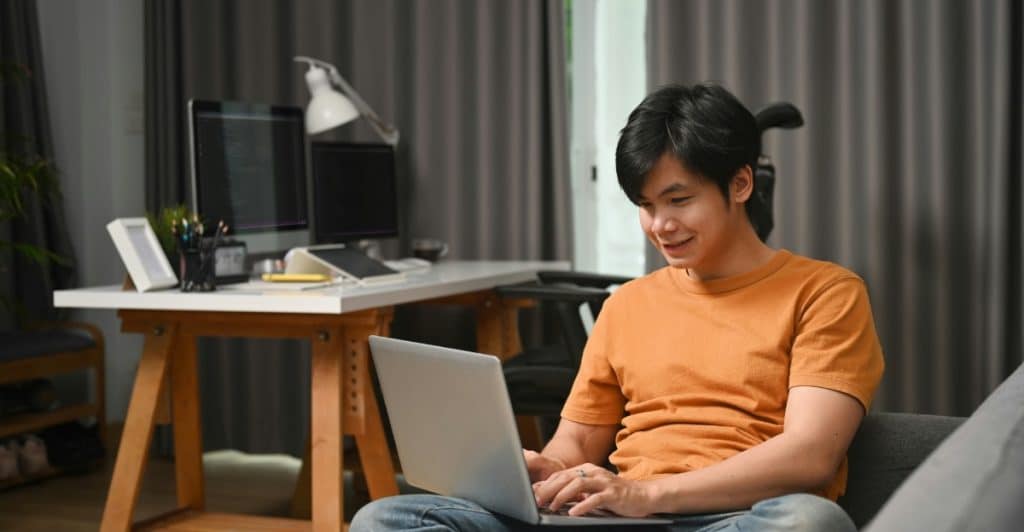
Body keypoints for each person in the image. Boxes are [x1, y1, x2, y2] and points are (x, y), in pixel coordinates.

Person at [351, 83, 885, 532]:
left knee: (807, 522)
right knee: (387, 518)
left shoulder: (825, 293)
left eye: (679, 201)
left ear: (740, 183)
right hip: (613, 518)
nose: (660, 226)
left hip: (732, 518)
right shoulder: (628, 304)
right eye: (646, 207)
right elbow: (579, 441)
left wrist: (648, 493)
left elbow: (810, 455)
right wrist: (544, 469)